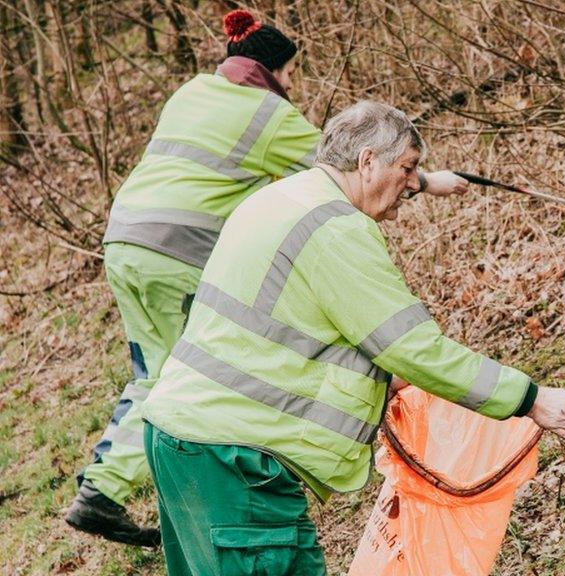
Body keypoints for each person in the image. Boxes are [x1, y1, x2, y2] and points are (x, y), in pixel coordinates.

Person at [66, 10, 468, 547]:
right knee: (180, 375)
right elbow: (341, 169)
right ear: (269, 70)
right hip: (180, 249)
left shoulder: (191, 92)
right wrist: (429, 181)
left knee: (151, 371)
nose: (292, 86)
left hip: (124, 243)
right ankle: (125, 495)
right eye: (291, 74)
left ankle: (103, 486)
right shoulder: (267, 113)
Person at [140, 100, 565, 575]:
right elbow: (414, 347)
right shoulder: (334, 229)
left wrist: (379, 379)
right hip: (232, 459)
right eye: (409, 167)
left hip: (182, 438)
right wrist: (530, 399)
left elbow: (292, 330)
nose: (415, 183)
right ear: (368, 161)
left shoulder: (281, 198)